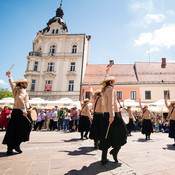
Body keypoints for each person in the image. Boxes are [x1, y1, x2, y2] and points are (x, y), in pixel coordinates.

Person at [99, 75, 127, 165]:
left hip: (105, 114)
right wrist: (112, 115)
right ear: (110, 82)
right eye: (113, 82)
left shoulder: (103, 90)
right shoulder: (111, 89)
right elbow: (111, 102)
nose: (114, 83)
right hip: (112, 115)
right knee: (122, 134)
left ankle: (104, 158)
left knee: (106, 136)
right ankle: (115, 151)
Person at [2, 71, 32, 154]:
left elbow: (12, 84)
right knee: (25, 128)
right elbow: (20, 98)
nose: (27, 84)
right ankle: (16, 144)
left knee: (12, 129)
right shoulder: (22, 90)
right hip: (21, 112)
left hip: (15, 111)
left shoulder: (16, 89)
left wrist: (9, 77)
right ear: (22, 84)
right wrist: (24, 110)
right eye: (25, 83)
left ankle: (10, 148)